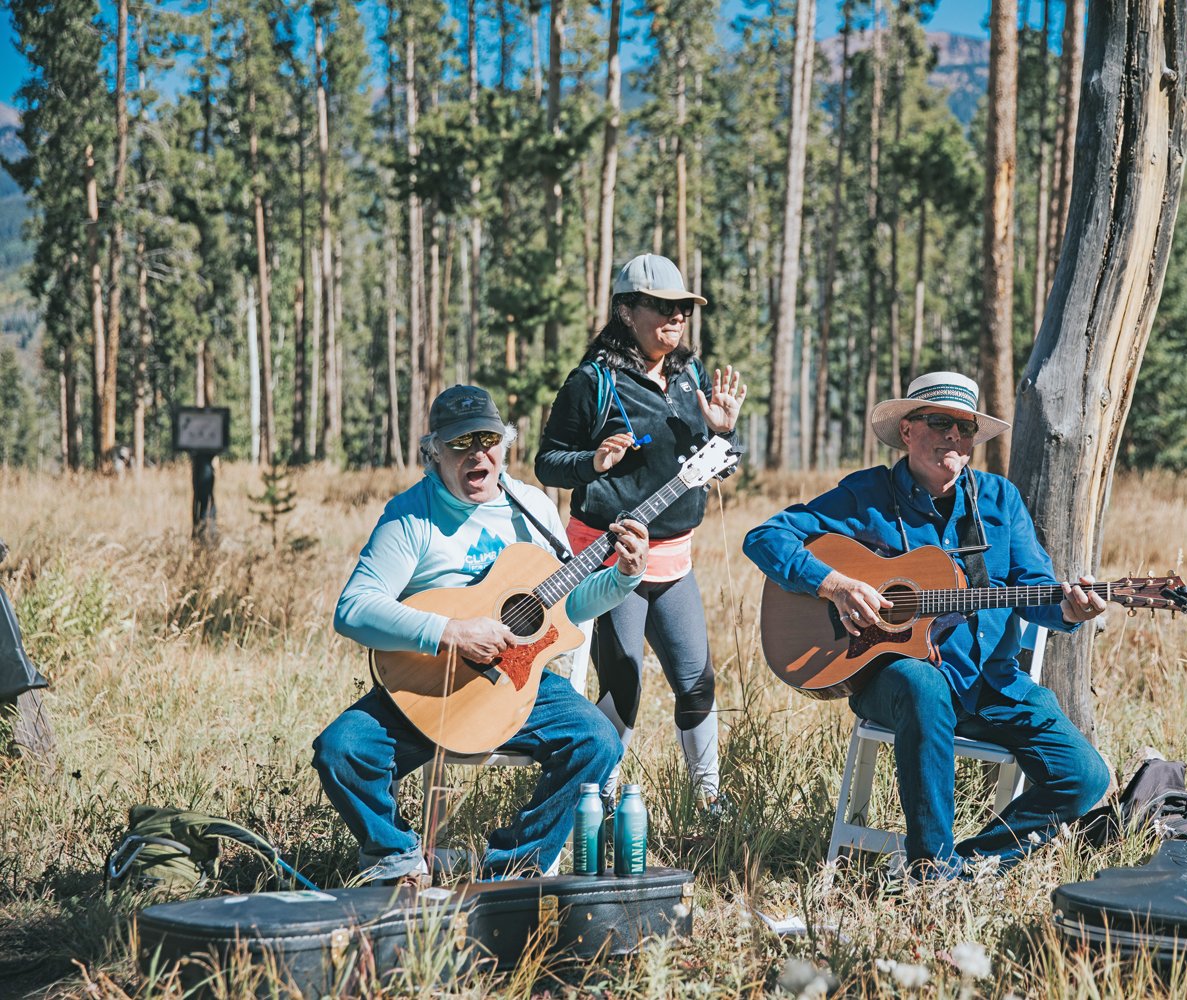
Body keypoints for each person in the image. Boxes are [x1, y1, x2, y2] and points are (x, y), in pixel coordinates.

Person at [742, 371, 1111, 879]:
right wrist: (834, 585)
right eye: (941, 423)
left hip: (991, 685)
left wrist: (1070, 610)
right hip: (893, 682)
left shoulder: (999, 501)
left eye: (966, 428)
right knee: (923, 683)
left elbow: (1036, 587)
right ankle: (930, 873)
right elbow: (766, 537)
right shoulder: (867, 495)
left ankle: (967, 866)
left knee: (1086, 778)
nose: (955, 438)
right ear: (908, 430)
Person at [313, 384, 649, 885]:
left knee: (598, 741)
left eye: (488, 439)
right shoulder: (410, 516)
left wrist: (624, 576)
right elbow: (353, 609)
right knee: (342, 749)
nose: (478, 454)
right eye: (460, 443)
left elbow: (566, 607)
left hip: (517, 682)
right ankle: (400, 858)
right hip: (433, 684)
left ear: (504, 445)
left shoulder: (529, 505)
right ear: (434, 453)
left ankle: (512, 867)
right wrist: (450, 631)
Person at [536, 253, 747, 807]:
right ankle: (596, 806)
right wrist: (593, 464)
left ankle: (709, 804)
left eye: (683, 308)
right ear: (627, 312)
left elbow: (714, 462)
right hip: (607, 558)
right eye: (663, 307)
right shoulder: (593, 381)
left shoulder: (691, 375)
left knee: (697, 683)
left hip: (676, 559)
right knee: (623, 687)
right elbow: (546, 463)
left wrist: (725, 434)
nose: (676, 318)